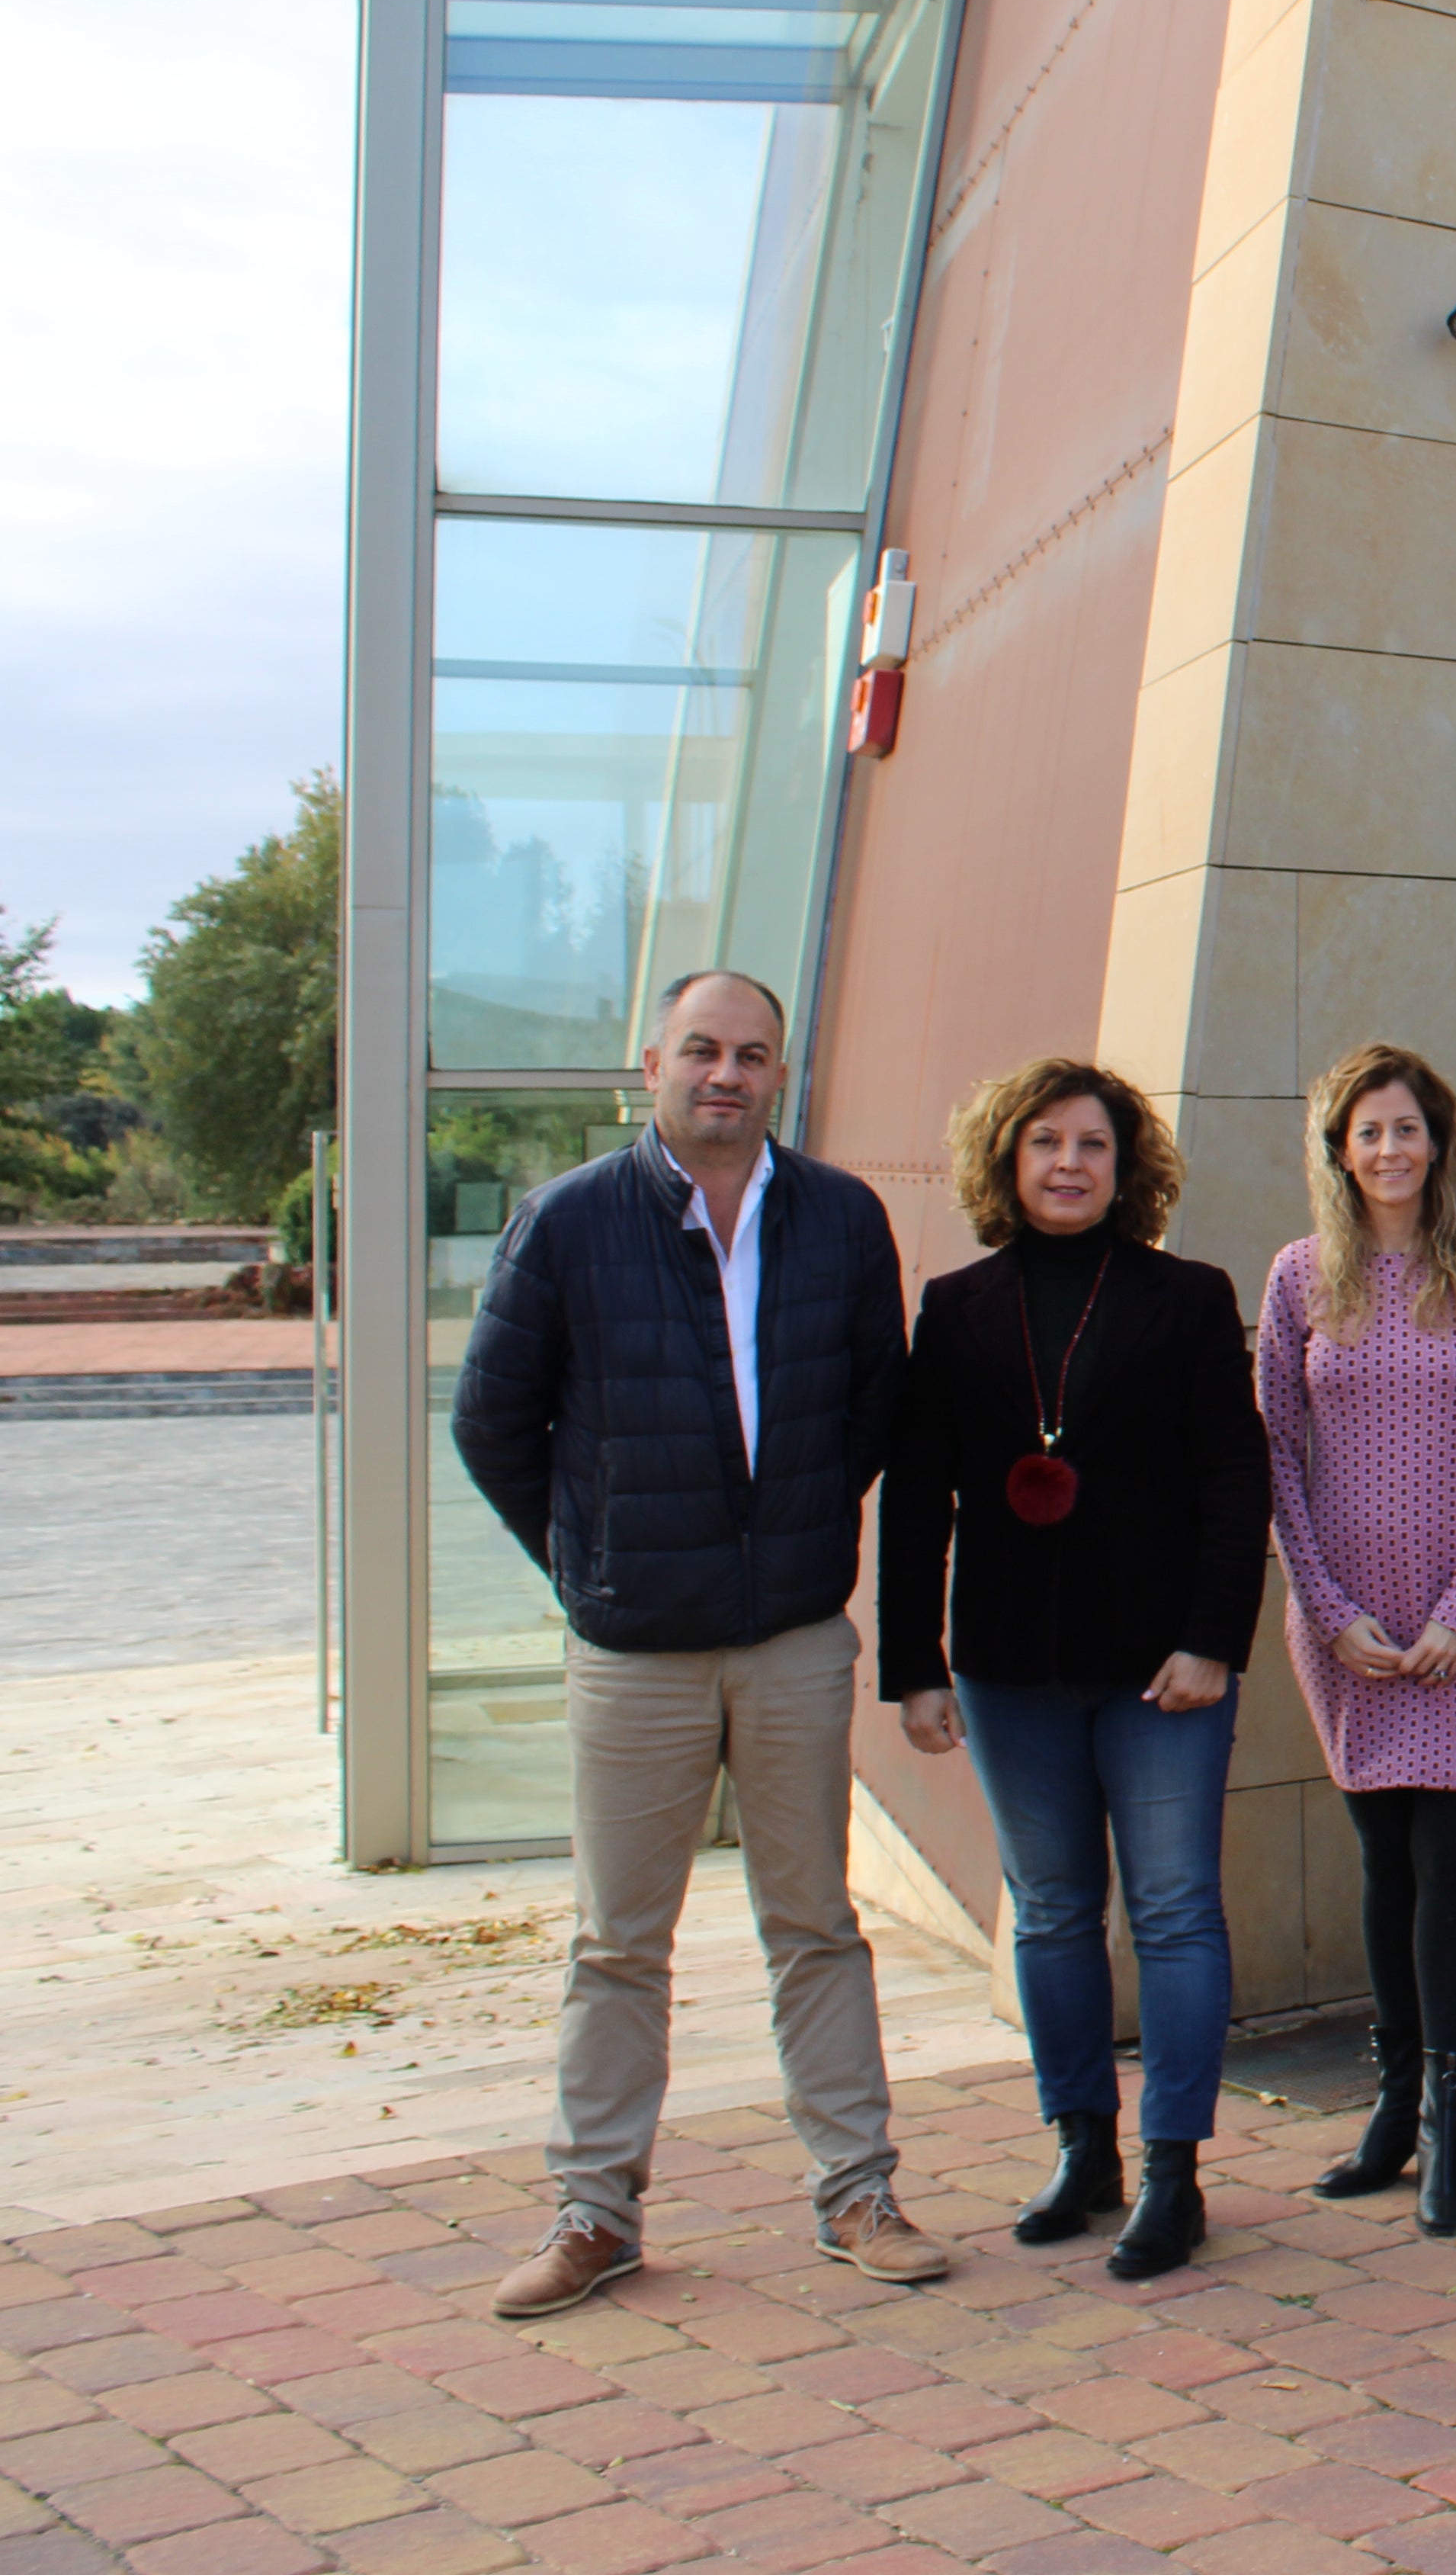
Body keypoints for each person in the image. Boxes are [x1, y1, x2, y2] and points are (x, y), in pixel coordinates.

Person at [450, 968, 944, 2319]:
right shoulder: (568, 1222)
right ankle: (594, 2213)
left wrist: (791, 1536)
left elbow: (875, 1408)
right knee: (619, 1942)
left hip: (791, 1640)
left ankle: (857, 2192)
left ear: (781, 1072)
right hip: (634, 1654)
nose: (726, 1074)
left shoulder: (841, 1217)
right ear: (652, 1062)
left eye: (752, 1055)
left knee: (816, 1925)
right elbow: (493, 1421)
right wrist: (595, 1561)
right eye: (703, 1051)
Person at [877, 1057, 1268, 2281]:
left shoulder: (1188, 1298)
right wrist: (914, 1665)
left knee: (1174, 1912)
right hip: (1009, 1670)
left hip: (1163, 1672)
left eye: (1093, 1144)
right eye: (1045, 1141)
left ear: (1125, 1165)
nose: (1068, 1164)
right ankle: (1083, 2148)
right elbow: (916, 1499)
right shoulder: (955, 1308)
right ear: (1008, 1158)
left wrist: (1214, 1639)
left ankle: (1174, 2172)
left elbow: (1235, 1480)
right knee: (1049, 1913)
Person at [1259, 1041, 1456, 2238]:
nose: (1389, 1149)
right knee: (1382, 1859)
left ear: (1439, 1141)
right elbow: (1275, 1449)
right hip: (1348, 1619)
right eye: (1367, 1130)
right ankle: (1389, 2109)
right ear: (1339, 1149)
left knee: (1448, 1863)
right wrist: (1331, 1612)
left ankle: (1447, 2126)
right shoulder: (1299, 1277)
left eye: (1407, 1128)